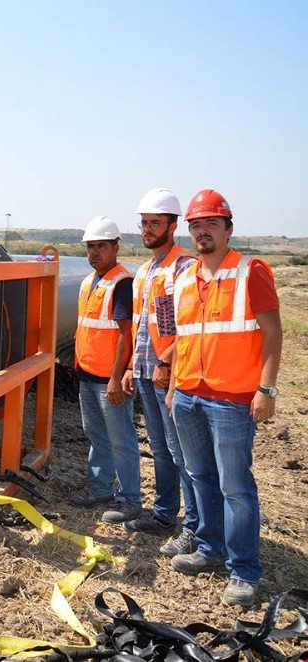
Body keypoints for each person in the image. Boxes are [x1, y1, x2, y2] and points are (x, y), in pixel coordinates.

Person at [168, 189, 282, 607]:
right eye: (196, 225)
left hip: (232, 401)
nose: (202, 232)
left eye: (211, 224)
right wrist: (175, 388)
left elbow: (273, 334)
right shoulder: (184, 276)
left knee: (235, 486)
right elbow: (182, 338)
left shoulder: (250, 270)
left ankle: (244, 571)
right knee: (200, 477)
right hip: (188, 395)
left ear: (228, 229)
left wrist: (266, 390)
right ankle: (209, 548)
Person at [119, 189, 199, 556]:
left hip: (172, 374)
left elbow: (187, 325)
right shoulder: (145, 271)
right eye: (144, 223)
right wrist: (130, 368)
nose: (148, 230)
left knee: (181, 451)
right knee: (160, 447)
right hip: (146, 372)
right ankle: (165, 514)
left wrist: (169, 364)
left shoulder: (184, 266)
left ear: (173, 225)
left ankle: (194, 527)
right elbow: (140, 325)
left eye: (155, 223)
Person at [69, 216, 142, 524]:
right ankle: (101, 489)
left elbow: (127, 333)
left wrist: (117, 377)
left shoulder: (121, 283)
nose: (95, 252)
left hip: (107, 381)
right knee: (96, 435)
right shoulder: (90, 281)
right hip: (88, 375)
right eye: (90, 247)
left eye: (101, 246)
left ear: (115, 247)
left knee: (121, 439)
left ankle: (130, 499)